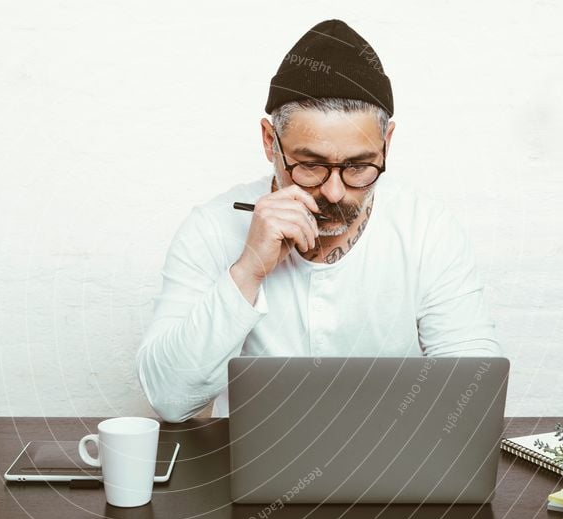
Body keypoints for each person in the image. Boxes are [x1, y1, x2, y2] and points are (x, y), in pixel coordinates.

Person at [137, 19, 502, 423]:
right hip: (250, 477)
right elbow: (170, 399)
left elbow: (475, 394)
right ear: (268, 142)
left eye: (359, 166)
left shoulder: (428, 230)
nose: (333, 192)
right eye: (310, 166)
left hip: (391, 475)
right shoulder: (210, 228)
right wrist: (247, 272)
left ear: (387, 145)